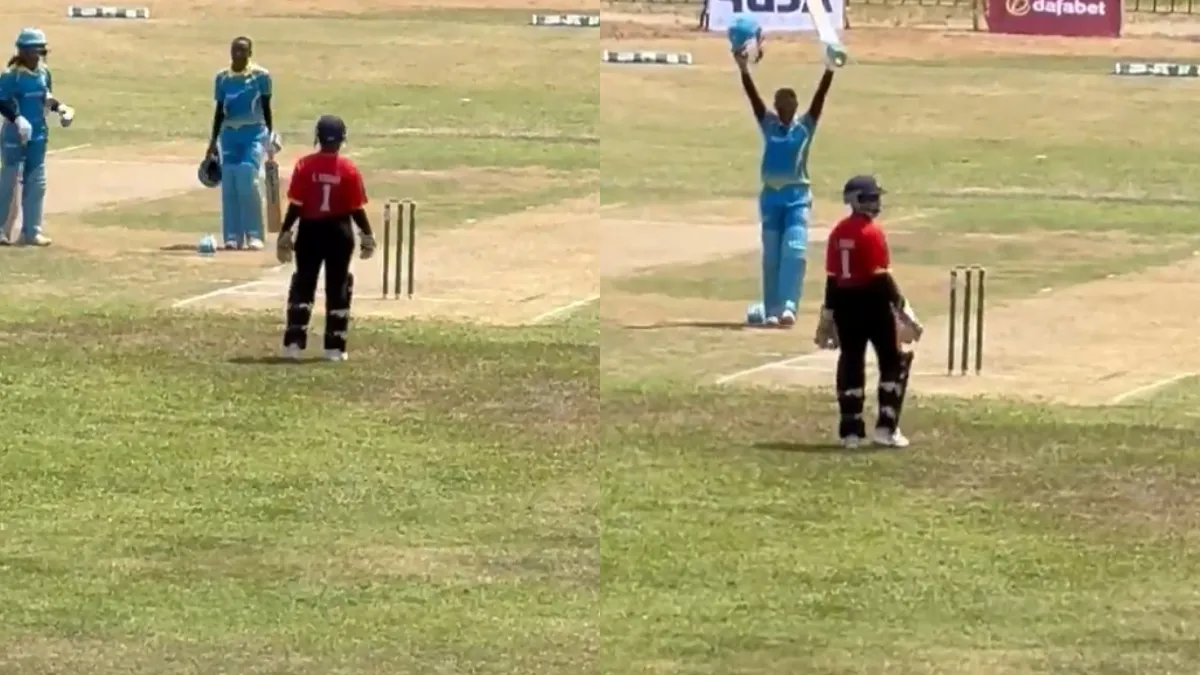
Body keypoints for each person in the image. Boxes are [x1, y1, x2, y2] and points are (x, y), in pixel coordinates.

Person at [813, 175, 922, 449]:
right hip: (874, 304)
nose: (876, 203)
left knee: (850, 361)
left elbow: (832, 278)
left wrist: (828, 315)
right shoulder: (871, 232)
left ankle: (850, 432)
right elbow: (881, 278)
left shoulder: (838, 232)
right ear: (855, 200)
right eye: (870, 198)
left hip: (845, 305)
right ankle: (886, 429)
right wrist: (904, 310)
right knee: (893, 362)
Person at [736, 42, 836, 328]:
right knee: (772, 255)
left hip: (797, 197)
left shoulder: (804, 127)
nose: (785, 112)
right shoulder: (768, 124)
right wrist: (743, 69)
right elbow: (753, 98)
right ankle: (771, 309)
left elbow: (820, 98)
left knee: (794, 250)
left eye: (789, 107)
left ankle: (789, 307)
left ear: (795, 107)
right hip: (771, 197)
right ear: (777, 107)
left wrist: (829, 69)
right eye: (781, 107)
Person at [276, 115, 375, 362]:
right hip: (339, 231)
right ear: (342, 139)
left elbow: (296, 205)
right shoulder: (348, 169)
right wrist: (367, 234)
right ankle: (335, 348)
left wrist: (285, 232)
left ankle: (294, 345)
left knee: (303, 284)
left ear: (317, 138)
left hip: (310, 231)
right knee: (338, 286)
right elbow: (355, 208)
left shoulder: (305, 166)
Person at [0, 28, 74, 247]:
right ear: (23, 51)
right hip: (15, 135)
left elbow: (46, 97)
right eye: (34, 51)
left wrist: (61, 109)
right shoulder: (11, 75)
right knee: (10, 181)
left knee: (36, 183)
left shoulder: (43, 73)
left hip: (38, 135)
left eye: (41, 51)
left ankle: (31, 231)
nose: (38, 56)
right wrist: (16, 119)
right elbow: (1, 101)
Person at [206, 36, 279, 251]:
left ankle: (254, 235)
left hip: (254, 132)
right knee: (229, 179)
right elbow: (219, 111)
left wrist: (270, 136)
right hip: (229, 135)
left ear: (250, 53)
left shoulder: (261, 77)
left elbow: (266, 107)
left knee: (247, 176)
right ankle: (232, 236)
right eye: (235, 50)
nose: (238, 54)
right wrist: (213, 142)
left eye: (242, 51)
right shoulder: (222, 78)